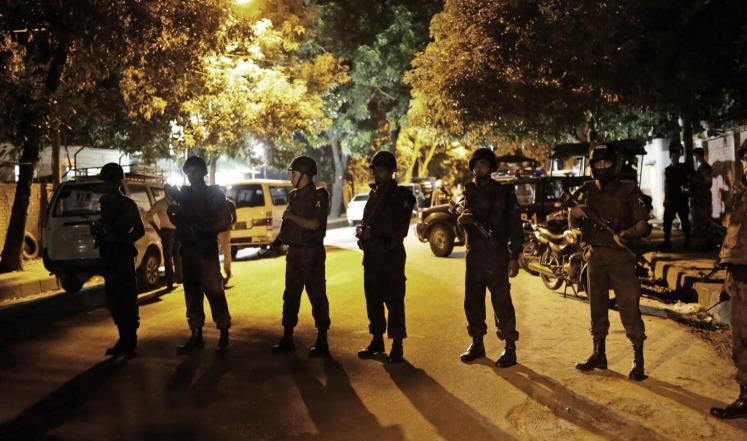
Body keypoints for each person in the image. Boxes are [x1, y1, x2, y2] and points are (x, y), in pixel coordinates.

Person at [570, 143, 650, 381]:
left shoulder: (628, 189)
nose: (602, 166)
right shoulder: (586, 190)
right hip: (595, 257)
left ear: (614, 164)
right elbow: (573, 222)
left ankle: (638, 359)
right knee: (597, 308)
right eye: (598, 162)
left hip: (621, 258)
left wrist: (626, 234)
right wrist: (574, 215)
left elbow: (642, 224)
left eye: (606, 162)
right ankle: (599, 353)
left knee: (629, 308)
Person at [457, 148, 524, 367]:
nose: (479, 168)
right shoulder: (469, 192)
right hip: (475, 256)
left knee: (502, 302)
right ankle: (477, 343)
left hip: (496, 255)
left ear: (491, 168)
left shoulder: (504, 193)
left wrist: (514, 256)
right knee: (473, 301)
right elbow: (462, 221)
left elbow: (515, 226)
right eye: (476, 165)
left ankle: (510, 347)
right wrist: (462, 221)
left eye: (484, 164)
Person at [169, 156, 233, 354]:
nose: (191, 175)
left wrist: (204, 229)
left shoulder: (213, 193)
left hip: (205, 249)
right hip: (188, 250)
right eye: (188, 171)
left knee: (214, 292)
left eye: (195, 170)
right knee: (192, 294)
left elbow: (225, 220)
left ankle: (223, 333)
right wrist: (174, 212)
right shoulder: (184, 195)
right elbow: (178, 220)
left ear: (203, 172)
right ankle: (196, 334)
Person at [356, 151, 415, 363]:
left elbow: (400, 229)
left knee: (394, 301)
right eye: (375, 170)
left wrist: (373, 233)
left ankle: (397, 344)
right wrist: (363, 236)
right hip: (372, 257)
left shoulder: (401, 196)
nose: (377, 174)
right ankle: (377, 339)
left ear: (391, 172)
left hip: (391, 257)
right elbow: (369, 223)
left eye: (381, 170)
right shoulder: (374, 195)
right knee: (373, 300)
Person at [271, 156, 331, 356]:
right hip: (294, 253)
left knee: (317, 295)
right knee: (290, 296)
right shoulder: (294, 196)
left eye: (294, 173)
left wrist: (291, 216)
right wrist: (279, 241)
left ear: (304, 176)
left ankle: (322, 339)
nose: (291, 177)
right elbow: (289, 226)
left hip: (311, 253)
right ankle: (287, 337)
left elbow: (314, 224)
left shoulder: (318, 196)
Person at [710, 140, 747, 419]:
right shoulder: (740, 193)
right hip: (740, 274)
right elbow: (733, 236)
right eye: (746, 158)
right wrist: (726, 277)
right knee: (742, 339)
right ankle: (746, 397)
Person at [92, 163, 145, 357]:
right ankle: (123, 339)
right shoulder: (104, 202)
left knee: (127, 299)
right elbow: (104, 226)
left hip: (123, 256)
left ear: (117, 182)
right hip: (109, 256)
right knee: (114, 300)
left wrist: (120, 238)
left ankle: (130, 341)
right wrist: (98, 230)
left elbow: (139, 231)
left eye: (109, 181)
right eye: (105, 181)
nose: (106, 185)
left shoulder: (127, 204)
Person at [144, 184, 181, 290]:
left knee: (178, 255)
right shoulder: (160, 204)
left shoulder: (176, 202)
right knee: (168, 258)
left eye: (171, 190)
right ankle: (170, 282)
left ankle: (179, 278)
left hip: (177, 231)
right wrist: (158, 230)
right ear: (165, 191)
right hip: (167, 232)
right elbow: (148, 216)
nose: (170, 192)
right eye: (168, 190)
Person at [662, 143, 692, 249]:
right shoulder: (667, 170)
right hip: (671, 198)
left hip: (681, 199)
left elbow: (691, 178)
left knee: (684, 220)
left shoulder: (683, 167)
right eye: (673, 156)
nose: (675, 158)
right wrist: (665, 198)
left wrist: (687, 190)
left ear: (679, 157)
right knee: (667, 221)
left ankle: (687, 240)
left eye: (677, 156)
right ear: (670, 157)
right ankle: (667, 241)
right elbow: (666, 185)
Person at [690, 148, 716, 248]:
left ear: (700, 155)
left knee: (705, 219)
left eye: (696, 155)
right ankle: (704, 242)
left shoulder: (705, 167)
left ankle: (709, 242)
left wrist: (695, 180)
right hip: (699, 196)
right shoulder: (701, 167)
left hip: (704, 197)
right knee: (700, 220)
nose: (695, 158)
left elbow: (708, 182)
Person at [218, 196, 237, 287]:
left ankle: (216, 272)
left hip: (215, 230)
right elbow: (234, 218)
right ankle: (228, 271)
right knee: (226, 251)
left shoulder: (212, 202)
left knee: (215, 252)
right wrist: (230, 225)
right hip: (225, 230)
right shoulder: (230, 203)